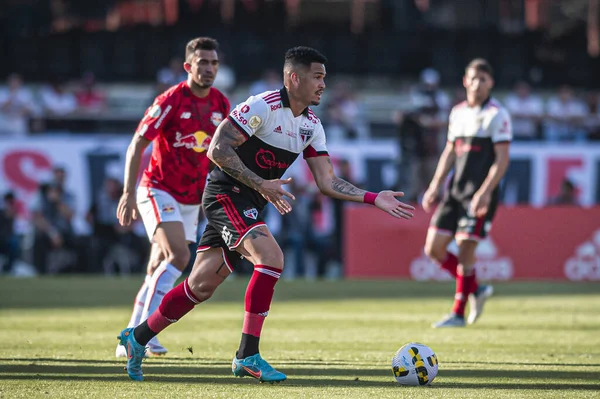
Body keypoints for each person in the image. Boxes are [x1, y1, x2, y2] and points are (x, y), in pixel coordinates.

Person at [117, 46, 415, 382]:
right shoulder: (262, 106)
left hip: (251, 201)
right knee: (271, 257)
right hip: (224, 195)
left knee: (200, 285)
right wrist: (262, 183)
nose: (322, 85)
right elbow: (217, 149)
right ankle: (248, 355)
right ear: (294, 78)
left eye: (324, 78)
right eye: (317, 77)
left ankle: (137, 337)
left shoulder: (312, 125)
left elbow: (327, 181)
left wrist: (373, 197)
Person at [115, 37, 230, 357]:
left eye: (214, 63)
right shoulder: (171, 100)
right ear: (188, 66)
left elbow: (227, 151)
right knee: (179, 257)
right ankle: (139, 334)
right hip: (158, 188)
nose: (209, 68)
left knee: (157, 267)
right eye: (203, 62)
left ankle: (136, 336)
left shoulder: (221, 104)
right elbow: (138, 143)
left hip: (192, 199)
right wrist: (127, 193)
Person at [421, 58, 512, 328]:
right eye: (473, 78)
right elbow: (450, 151)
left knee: (465, 250)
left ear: (491, 83)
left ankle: (458, 313)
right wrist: (436, 184)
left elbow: (502, 159)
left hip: (479, 195)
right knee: (434, 248)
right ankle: (476, 288)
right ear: (465, 81)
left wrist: (485, 192)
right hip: (455, 193)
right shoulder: (457, 112)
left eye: (483, 79)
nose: (477, 84)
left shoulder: (497, 115)